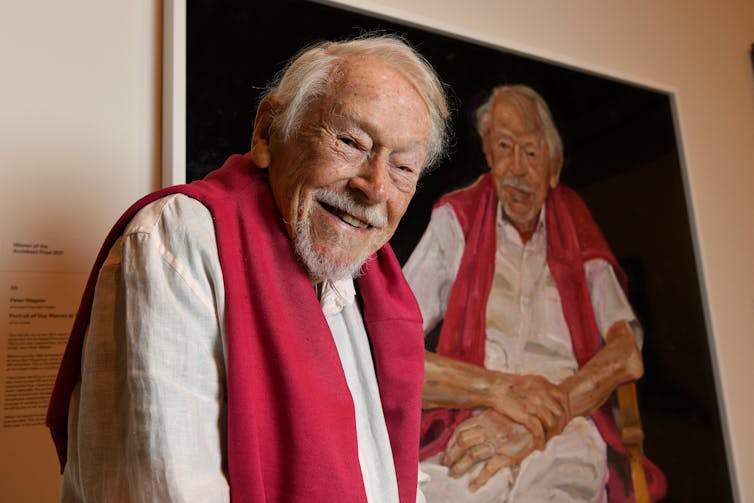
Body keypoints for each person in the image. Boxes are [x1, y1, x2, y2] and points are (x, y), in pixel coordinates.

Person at [46, 35, 450, 502]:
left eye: (403, 167)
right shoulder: (179, 238)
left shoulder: (369, 282)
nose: (375, 187)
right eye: (350, 142)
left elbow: (383, 475)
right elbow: (169, 490)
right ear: (266, 133)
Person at [404, 85, 666, 502]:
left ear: (555, 165)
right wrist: (497, 391)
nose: (517, 168)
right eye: (504, 148)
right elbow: (392, 347)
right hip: (470, 417)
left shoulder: (577, 225)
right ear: (488, 156)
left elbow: (625, 352)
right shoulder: (456, 221)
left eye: (530, 151)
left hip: (569, 425)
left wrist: (544, 413)